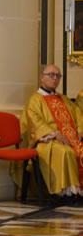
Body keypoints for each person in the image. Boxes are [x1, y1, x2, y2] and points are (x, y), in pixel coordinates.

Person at [16, 65, 83, 203]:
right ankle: (65, 193)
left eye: (58, 76)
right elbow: (34, 121)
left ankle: (79, 192)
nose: (55, 78)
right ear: (42, 77)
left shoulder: (64, 99)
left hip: (71, 139)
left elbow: (78, 115)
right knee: (66, 152)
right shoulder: (35, 99)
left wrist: (80, 129)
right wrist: (54, 133)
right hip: (46, 142)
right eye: (51, 74)